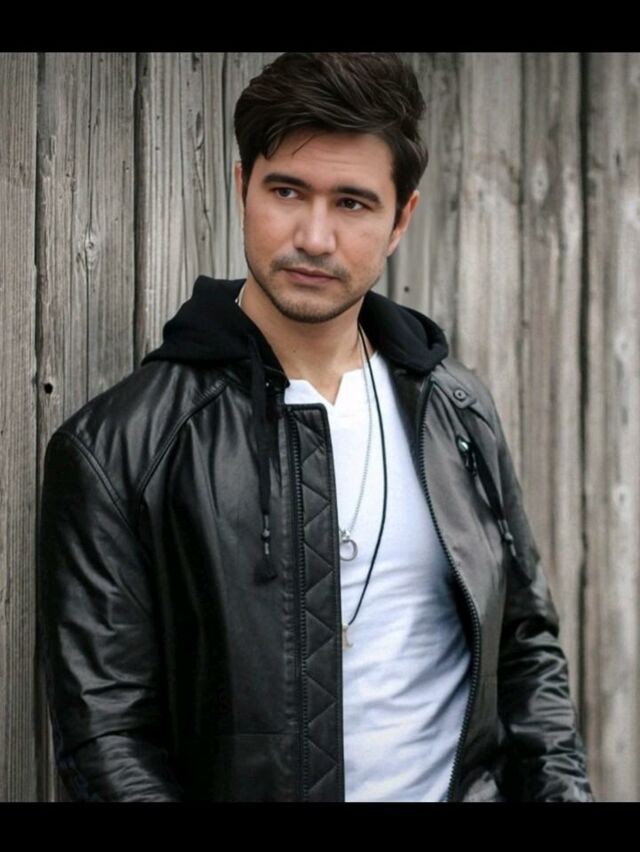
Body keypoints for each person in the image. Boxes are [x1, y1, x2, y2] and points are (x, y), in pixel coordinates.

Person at [37, 52, 594, 802]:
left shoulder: (454, 408)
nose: (315, 236)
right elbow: (108, 737)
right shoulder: (121, 448)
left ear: (401, 220)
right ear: (242, 187)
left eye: (353, 203)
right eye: (287, 191)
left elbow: (525, 647)